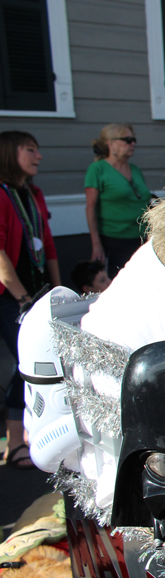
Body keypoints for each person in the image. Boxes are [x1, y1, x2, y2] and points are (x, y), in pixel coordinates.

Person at [0, 130, 61, 470]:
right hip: (11, 298)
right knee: (24, 366)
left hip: (35, 294)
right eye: (30, 150)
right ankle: (14, 444)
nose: (38, 156)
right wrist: (22, 298)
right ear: (10, 153)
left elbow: (47, 245)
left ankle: (25, 437)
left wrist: (57, 293)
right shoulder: (1, 194)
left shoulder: (32, 193)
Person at [84, 123, 154, 279]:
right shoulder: (97, 169)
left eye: (133, 140)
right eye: (127, 140)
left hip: (141, 238)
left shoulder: (134, 169)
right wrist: (96, 245)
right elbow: (90, 208)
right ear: (110, 143)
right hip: (115, 240)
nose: (133, 144)